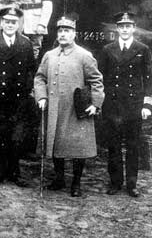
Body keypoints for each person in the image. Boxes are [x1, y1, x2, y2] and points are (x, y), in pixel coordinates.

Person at [34, 16, 104, 197]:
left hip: (76, 109)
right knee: (56, 145)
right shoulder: (49, 55)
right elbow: (39, 78)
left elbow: (96, 81)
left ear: (74, 34)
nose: (63, 34)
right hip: (55, 109)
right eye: (60, 31)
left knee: (77, 148)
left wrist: (95, 104)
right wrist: (41, 96)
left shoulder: (84, 55)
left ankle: (76, 183)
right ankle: (59, 179)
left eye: (67, 31)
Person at [0, 6, 36, 186]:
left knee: (16, 135)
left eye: (14, 22)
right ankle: (0, 171)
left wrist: (28, 89)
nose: (10, 25)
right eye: (7, 22)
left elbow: (30, 69)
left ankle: (15, 172)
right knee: (0, 134)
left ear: (18, 23)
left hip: (18, 97)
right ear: (1, 23)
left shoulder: (25, 43)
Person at [98, 11, 152, 198]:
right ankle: (115, 182)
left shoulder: (142, 49)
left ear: (133, 28)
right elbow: (101, 78)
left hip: (133, 105)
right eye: (121, 26)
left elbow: (148, 79)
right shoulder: (107, 50)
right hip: (112, 105)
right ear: (117, 29)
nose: (124, 29)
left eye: (128, 26)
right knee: (113, 145)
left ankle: (131, 184)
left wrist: (147, 105)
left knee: (133, 145)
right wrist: (99, 102)